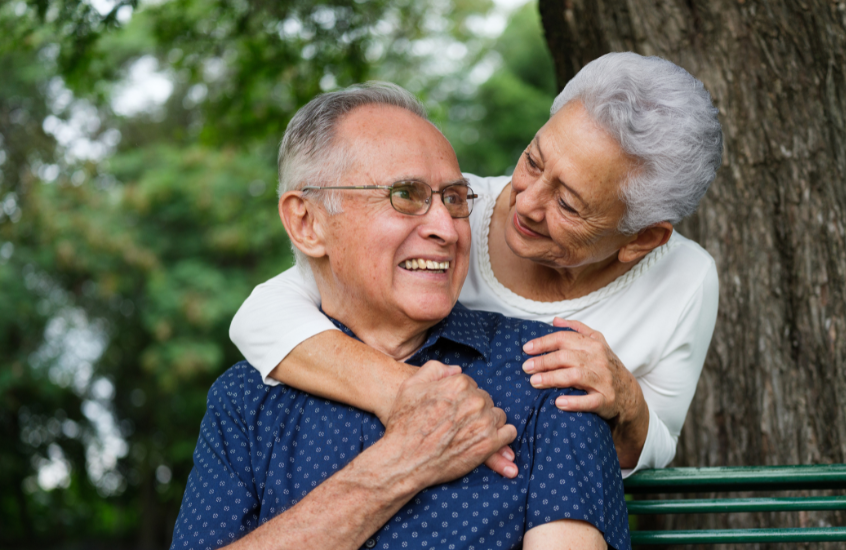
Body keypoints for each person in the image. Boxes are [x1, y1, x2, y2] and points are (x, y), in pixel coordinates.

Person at [170, 84, 630, 550]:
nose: (446, 228)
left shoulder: (548, 370)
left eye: (453, 199)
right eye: (405, 195)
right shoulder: (244, 401)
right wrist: (394, 467)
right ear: (308, 223)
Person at [230, 51, 723, 475]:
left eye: (569, 205)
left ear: (642, 239)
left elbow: (655, 442)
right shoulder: (445, 211)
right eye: (533, 161)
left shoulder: (686, 279)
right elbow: (262, 317)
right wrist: (407, 393)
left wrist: (626, 399)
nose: (526, 202)